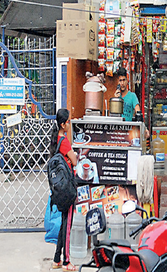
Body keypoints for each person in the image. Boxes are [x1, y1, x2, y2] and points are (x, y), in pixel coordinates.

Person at [49, 109, 78, 271]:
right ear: (62, 124)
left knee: (63, 224)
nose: (70, 123)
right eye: (68, 121)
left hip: (59, 187)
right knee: (67, 225)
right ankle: (67, 261)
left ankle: (56, 259)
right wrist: (75, 156)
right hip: (67, 187)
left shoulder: (55, 140)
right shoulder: (64, 141)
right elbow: (74, 161)